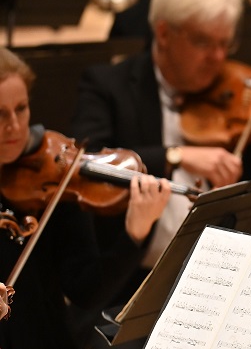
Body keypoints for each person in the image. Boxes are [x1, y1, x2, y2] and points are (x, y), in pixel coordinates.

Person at [69, 0, 251, 303]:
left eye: (225, 43)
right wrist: (176, 155)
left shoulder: (233, 95)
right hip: (131, 283)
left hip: (217, 282)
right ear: (164, 33)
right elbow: (87, 163)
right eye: (203, 42)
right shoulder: (107, 85)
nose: (218, 57)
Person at [0, 46, 172, 349]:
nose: (14, 125)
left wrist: (134, 234)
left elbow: (86, 290)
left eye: (21, 108)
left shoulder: (55, 177)